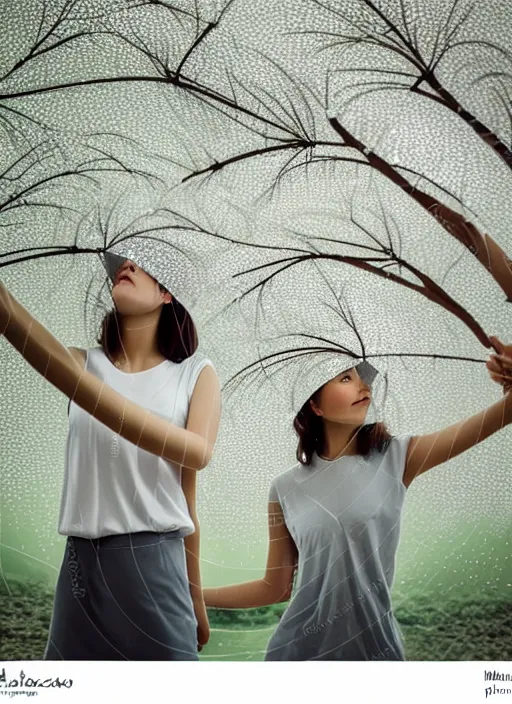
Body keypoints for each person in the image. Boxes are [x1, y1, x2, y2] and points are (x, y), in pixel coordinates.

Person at [203, 340, 511, 660]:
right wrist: (194, 594)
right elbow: (275, 587)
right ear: (315, 406)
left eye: (362, 377)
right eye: (346, 378)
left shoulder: (398, 457)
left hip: (375, 652)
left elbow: (499, 416)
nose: (363, 385)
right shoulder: (284, 488)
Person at [0, 255, 221, 660]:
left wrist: (198, 600)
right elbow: (11, 317)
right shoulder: (81, 365)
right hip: (79, 571)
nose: (126, 265)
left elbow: (195, 464)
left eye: (143, 263)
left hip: (155, 566)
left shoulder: (195, 373)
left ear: (167, 292)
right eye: (123, 261)